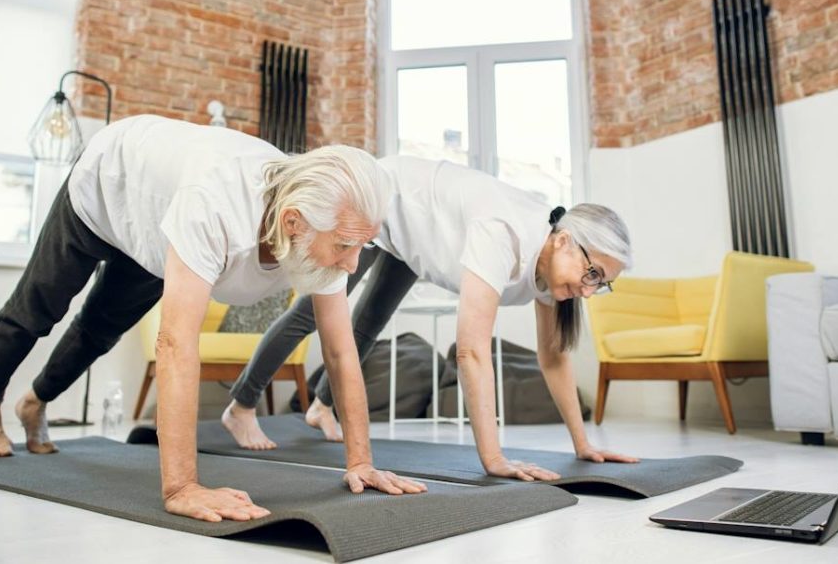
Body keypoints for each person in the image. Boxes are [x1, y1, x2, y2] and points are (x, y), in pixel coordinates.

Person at [0, 115, 426, 523]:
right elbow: (176, 345)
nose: (352, 265)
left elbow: (341, 351)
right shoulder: (217, 204)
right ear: (292, 222)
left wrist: (360, 462)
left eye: (360, 246)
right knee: (39, 308)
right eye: (346, 246)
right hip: (108, 184)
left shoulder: (328, 233)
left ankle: (34, 402)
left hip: (155, 223)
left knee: (98, 330)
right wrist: (181, 487)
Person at [222, 155, 638, 481]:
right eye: (592, 273)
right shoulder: (504, 233)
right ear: (564, 241)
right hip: (392, 200)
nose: (589, 289)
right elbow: (472, 353)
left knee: (370, 322)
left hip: (419, 235)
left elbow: (554, 359)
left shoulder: (555, 270)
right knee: (310, 315)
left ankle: (321, 407)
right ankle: (240, 407)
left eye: (601, 283)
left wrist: (582, 444)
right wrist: (493, 459)